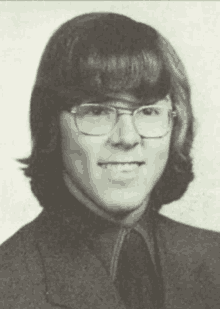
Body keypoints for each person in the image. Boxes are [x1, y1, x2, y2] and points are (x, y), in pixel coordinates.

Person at [1, 11, 220, 309]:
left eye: (149, 111)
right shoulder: (11, 282)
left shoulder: (214, 257)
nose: (127, 138)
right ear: (51, 125)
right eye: (97, 111)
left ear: (175, 125)